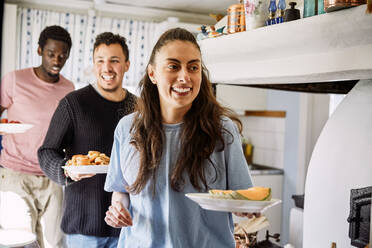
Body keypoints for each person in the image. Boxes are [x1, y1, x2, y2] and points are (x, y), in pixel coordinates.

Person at [104, 28, 254, 248]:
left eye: (193, 67)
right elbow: (121, 191)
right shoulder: (127, 128)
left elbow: (243, 198)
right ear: (153, 74)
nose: (185, 77)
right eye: (173, 66)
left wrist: (245, 206)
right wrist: (118, 209)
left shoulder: (223, 130)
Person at [37, 32, 136, 248]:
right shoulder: (74, 104)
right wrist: (66, 169)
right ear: (93, 64)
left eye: (115, 61)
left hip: (128, 226)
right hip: (83, 229)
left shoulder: (139, 108)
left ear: (127, 65)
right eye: (100, 61)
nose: (107, 68)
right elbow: (46, 152)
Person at [0, 25, 74, 248]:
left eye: (63, 55)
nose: (57, 60)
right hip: (15, 173)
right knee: (24, 242)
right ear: (40, 50)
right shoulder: (14, 79)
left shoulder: (68, 88)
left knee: (55, 242)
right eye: (51, 53)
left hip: (52, 174)